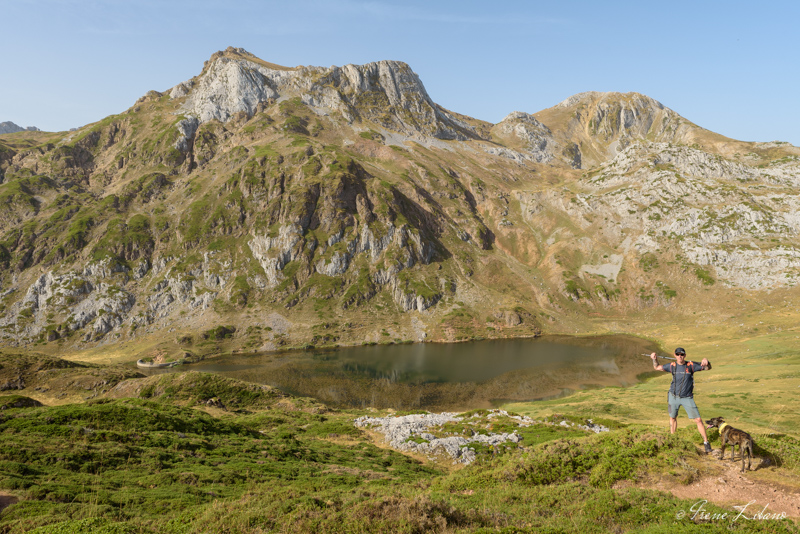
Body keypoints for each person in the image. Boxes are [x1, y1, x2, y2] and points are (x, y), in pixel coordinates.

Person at [650, 347, 713, 453]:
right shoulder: (672, 366)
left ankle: (706, 443)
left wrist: (706, 361)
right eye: (678, 354)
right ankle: (673, 440)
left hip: (687, 397)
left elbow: (708, 368)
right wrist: (654, 359)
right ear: (675, 355)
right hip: (673, 397)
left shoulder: (691, 365)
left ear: (685, 356)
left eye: (682, 354)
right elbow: (657, 367)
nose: (680, 356)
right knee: (672, 418)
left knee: (698, 420)